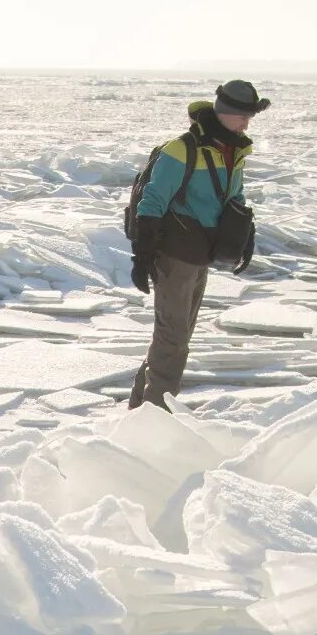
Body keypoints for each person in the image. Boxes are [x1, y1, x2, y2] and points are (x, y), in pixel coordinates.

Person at [125, 79, 271, 411]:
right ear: (224, 112)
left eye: (250, 116)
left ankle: (138, 413)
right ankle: (153, 422)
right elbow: (152, 203)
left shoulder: (233, 151)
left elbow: (233, 197)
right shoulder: (181, 150)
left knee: (174, 340)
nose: (247, 122)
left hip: (200, 257)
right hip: (174, 256)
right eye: (242, 115)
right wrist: (142, 257)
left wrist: (245, 236)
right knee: (173, 342)